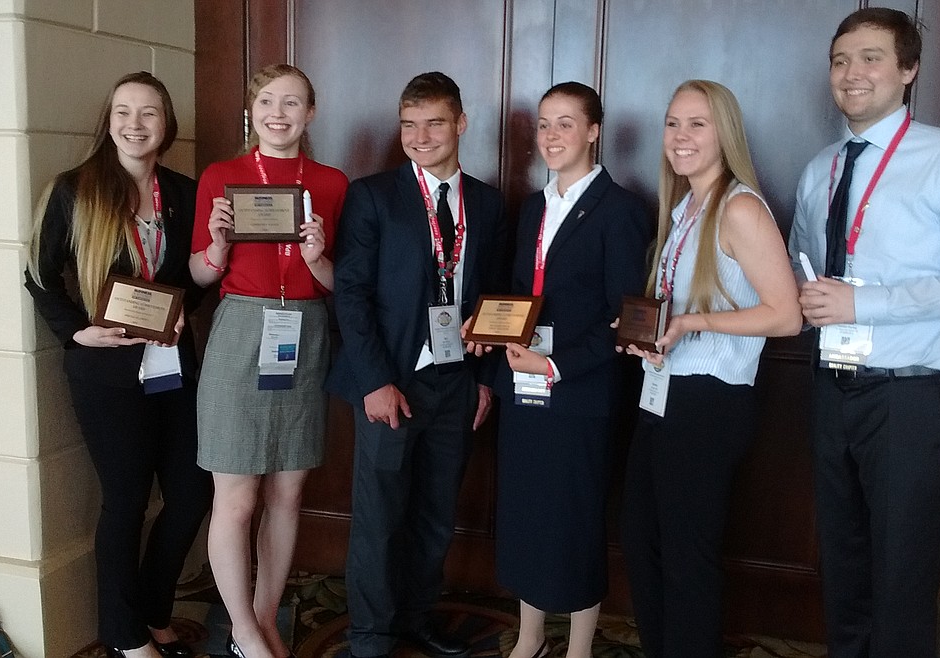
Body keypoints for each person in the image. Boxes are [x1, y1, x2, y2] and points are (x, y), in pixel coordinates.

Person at [788, 9, 940, 657]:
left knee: (901, 579)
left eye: (870, 58)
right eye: (840, 60)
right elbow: (804, 269)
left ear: (909, 70)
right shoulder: (820, 170)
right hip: (834, 388)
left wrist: (867, 305)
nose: (851, 73)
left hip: (912, 401)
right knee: (844, 569)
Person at [25, 71, 211, 658]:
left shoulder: (183, 192)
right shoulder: (74, 190)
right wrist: (76, 332)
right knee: (126, 499)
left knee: (190, 492)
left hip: (173, 364)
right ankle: (126, 636)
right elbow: (38, 275)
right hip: (105, 374)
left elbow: (187, 281)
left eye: (149, 113)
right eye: (124, 112)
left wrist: (185, 311)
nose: (136, 125)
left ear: (167, 124)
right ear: (109, 122)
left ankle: (156, 609)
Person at [619, 80, 802, 658]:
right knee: (645, 544)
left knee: (685, 559)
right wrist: (651, 337)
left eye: (697, 123)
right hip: (665, 391)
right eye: (673, 123)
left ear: (725, 132)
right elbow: (682, 303)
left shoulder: (739, 206)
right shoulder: (684, 207)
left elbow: (787, 315)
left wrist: (694, 325)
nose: (681, 136)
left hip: (709, 403)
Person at [327, 71, 507, 658]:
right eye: (409, 124)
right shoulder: (373, 195)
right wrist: (375, 381)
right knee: (379, 517)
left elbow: (494, 297)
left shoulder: (486, 201)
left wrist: (484, 381)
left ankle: (415, 616)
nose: (420, 136)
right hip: (391, 380)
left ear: (460, 123)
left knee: (435, 513)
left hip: (457, 382)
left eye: (433, 122)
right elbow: (350, 295)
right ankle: (371, 636)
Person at [188, 64, 348, 658]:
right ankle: (243, 630)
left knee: (287, 490)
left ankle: (265, 617)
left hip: (304, 333)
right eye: (267, 101)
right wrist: (217, 246)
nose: (278, 113)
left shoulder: (331, 183)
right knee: (235, 497)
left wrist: (316, 258)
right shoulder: (222, 176)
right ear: (250, 111)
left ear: (311, 113)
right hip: (239, 329)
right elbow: (201, 275)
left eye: (292, 103)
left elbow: (339, 286)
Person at [493, 82, 649, 658]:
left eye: (565, 123)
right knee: (528, 514)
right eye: (543, 124)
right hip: (524, 385)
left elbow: (622, 317)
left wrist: (554, 363)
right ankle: (530, 637)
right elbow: (519, 294)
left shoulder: (622, 210)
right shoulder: (534, 206)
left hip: (580, 392)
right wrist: (492, 332)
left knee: (577, 521)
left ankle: (580, 647)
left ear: (593, 131)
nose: (551, 136)